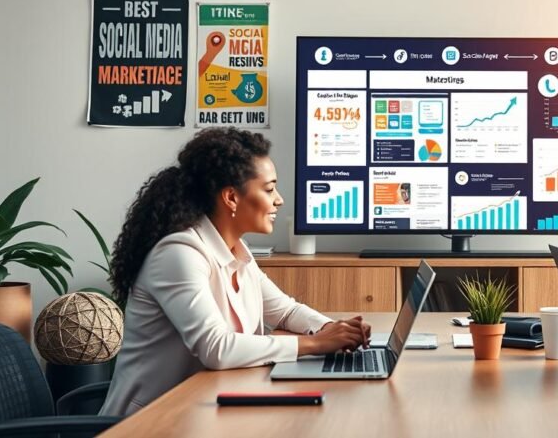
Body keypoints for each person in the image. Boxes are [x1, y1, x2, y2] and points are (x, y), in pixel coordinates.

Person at [101, 128, 371, 417]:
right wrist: (315, 343)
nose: (279, 200)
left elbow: (283, 311)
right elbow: (215, 348)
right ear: (231, 197)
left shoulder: (235, 250)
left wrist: (332, 329)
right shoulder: (178, 253)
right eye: (269, 189)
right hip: (149, 423)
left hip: (203, 409)